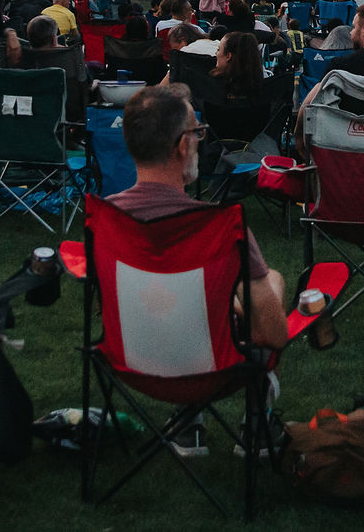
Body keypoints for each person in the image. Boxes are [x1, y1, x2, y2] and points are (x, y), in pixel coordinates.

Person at [110, 83, 290, 351]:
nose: (198, 141)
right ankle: (264, 385)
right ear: (183, 145)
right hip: (206, 368)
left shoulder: (106, 216)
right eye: (197, 133)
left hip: (132, 355)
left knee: (268, 280)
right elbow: (275, 336)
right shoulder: (221, 226)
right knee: (271, 282)